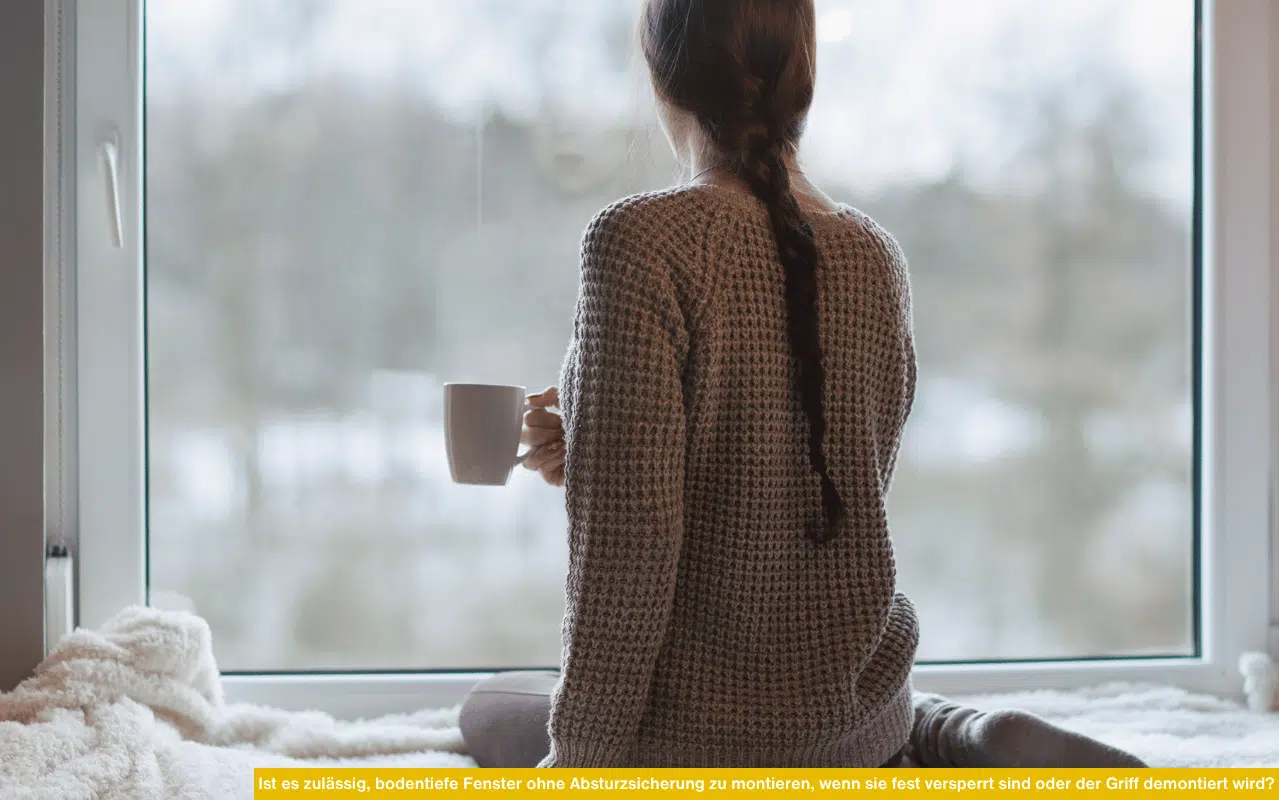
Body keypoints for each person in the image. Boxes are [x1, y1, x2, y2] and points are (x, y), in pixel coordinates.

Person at [459, 0, 1147, 770]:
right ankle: (942, 732)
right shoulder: (874, 256)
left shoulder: (636, 241)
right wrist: (593, 443)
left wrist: (579, 760)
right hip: (851, 706)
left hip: (704, 736)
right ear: (801, 78)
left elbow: (629, 551)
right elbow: (819, 491)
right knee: (873, 718)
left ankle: (912, 733)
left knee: (488, 707)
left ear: (662, 72)